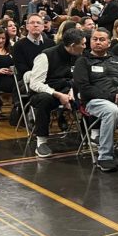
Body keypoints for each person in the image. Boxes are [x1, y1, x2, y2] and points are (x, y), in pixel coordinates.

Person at [74, 28, 118, 171]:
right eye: (94, 39)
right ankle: (105, 156)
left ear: (109, 43)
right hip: (94, 102)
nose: (98, 42)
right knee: (111, 110)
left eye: (102, 39)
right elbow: (85, 89)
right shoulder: (83, 61)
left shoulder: (117, 60)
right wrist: (111, 97)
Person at [27, 28, 86, 158]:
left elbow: (76, 79)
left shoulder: (79, 56)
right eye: (82, 44)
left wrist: (71, 92)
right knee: (45, 100)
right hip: (45, 92)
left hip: (67, 90)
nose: (85, 46)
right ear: (72, 46)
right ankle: (41, 142)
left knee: (88, 94)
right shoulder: (46, 56)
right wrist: (58, 95)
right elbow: (35, 84)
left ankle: (91, 134)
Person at [13, 14, 54, 79]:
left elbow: (54, 64)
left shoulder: (51, 44)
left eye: (38, 23)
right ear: (27, 26)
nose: (35, 25)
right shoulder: (18, 45)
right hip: (29, 81)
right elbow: (22, 68)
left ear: (43, 27)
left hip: (50, 79)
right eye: (32, 23)